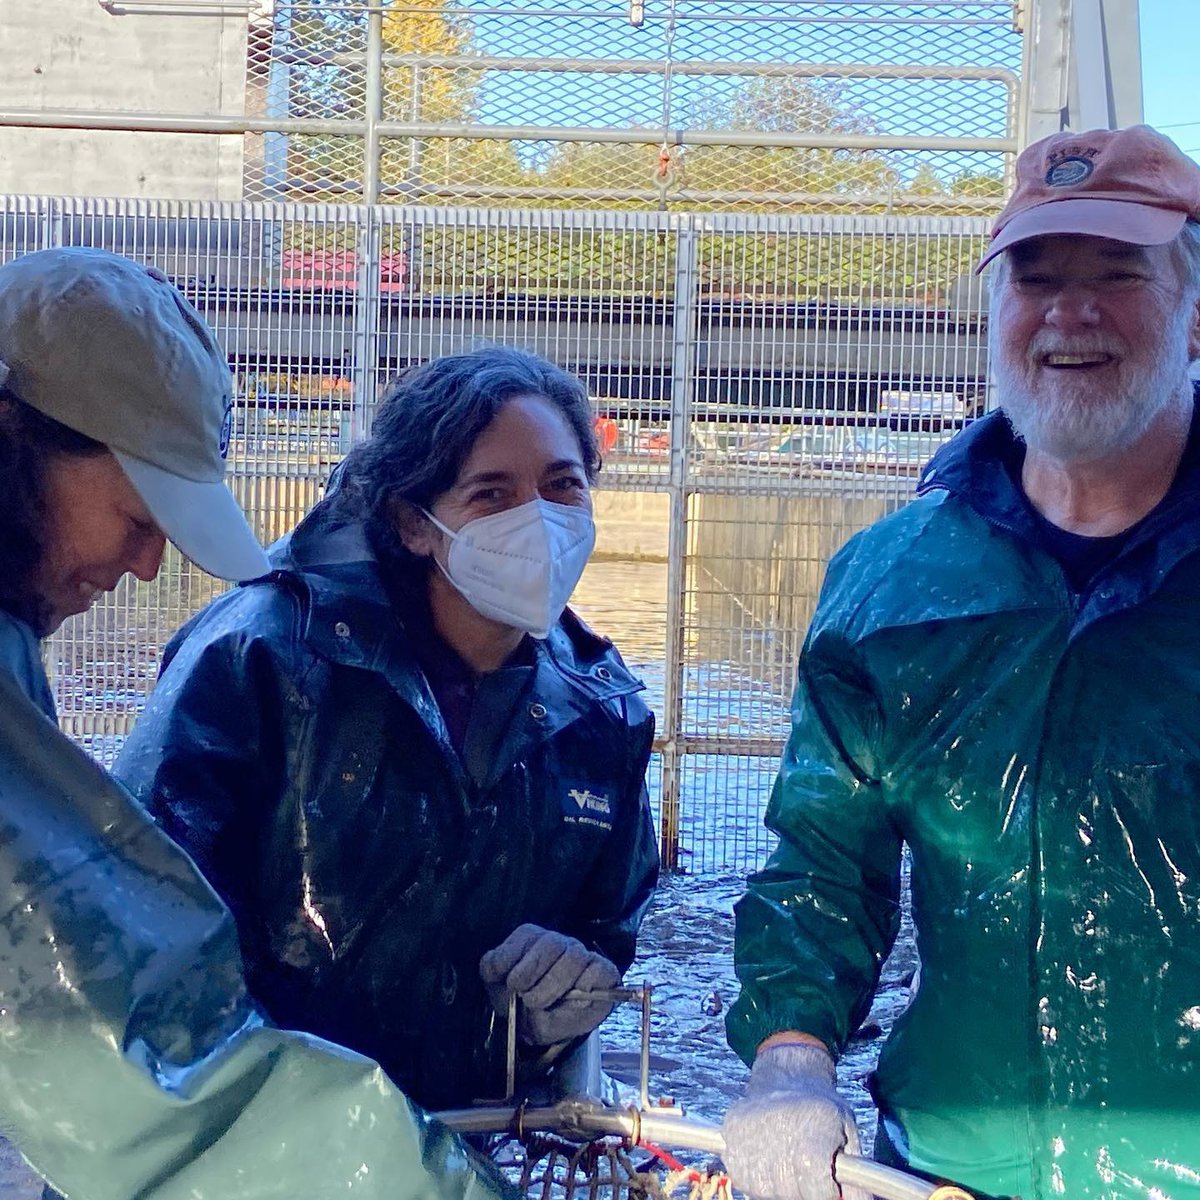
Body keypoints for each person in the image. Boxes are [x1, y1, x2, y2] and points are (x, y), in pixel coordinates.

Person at [720, 123, 1200, 1200]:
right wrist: (790, 1058)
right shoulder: (889, 587)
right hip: (949, 1169)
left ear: (1196, 311)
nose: (1068, 312)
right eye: (1034, 277)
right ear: (996, 312)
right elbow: (820, 865)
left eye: (1117, 275)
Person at [0, 245, 512, 1200]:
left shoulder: (595, 693)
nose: (149, 566)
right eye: (140, 513)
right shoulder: (255, 652)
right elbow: (115, 1048)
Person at [114, 345, 660, 1111]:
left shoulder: (605, 713)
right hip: (251, 1139)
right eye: (492, 493)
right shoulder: (264, 655)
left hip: (462, 1141)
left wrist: (561, 1002)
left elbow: (608, 932)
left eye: (563, 486)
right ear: (413, 522)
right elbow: (134, 916)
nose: (538, 520)